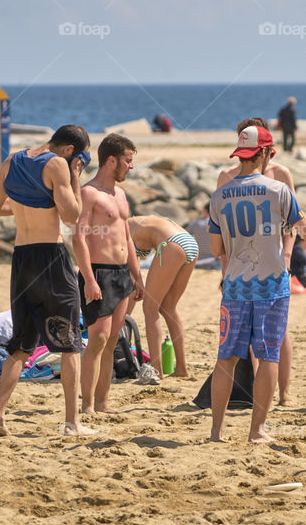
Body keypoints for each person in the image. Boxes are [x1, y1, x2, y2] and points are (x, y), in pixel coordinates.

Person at [0, 125, 94, 436]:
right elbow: (72, 215)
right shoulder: (57, 164)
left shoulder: (12, 161)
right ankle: (73, 423)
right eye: (81, 158)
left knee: (20, 345)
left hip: (22, 258)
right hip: (51, 258)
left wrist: (26, 207)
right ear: (71, 150)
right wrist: (74, 176)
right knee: (70, 343)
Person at [208, 124, 304, 442]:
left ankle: (216, 432)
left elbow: (216, 249)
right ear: (263, 153)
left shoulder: (220, 194)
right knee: (269, 356)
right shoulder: (278, 190)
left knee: (226, 358)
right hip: (271, 285)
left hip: (234, 284)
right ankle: (256, 431)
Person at [218, 116, 306, 406]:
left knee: (278, 332)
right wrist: (225, 271)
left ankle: (283, 393)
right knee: (244, 337)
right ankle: (259, 395)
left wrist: (287, 254)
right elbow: (224, 233)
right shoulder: (226, 176)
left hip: (275, 263)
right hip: (239, 268)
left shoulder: (280, 174)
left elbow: (294, 220)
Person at [72, 134, 146, 410]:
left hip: (122, 275)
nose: (131, 166)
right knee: (98, 339)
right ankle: (87, 404)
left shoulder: (121, 194)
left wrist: (137, 277)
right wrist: (89, 279)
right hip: (99, 273)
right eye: (128, 161)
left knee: (113, 339)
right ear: (111, 160)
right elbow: (78, 239)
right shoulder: (89, 193)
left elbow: (127, 239)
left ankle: (103, 402)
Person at [126, 215, 197, 378]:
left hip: (171, 245)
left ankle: (156, 370)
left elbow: (130, 281)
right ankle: (181, 369)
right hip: (189, 243)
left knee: (150, 308)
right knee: (169, 308)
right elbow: (134, 277)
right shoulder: (137, 222)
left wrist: (124, 318)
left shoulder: (121, 229)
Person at [185, 203, 219, 270]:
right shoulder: (220, 224)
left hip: (197, 262)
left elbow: (183, 235)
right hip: (215, 262)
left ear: (205, 211)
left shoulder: (196, 223)